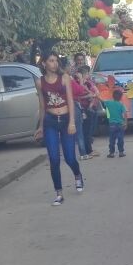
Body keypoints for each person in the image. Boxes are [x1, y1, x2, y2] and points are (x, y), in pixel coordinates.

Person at [34, 52, 83, 206]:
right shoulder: (40, 82)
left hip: (66, 120)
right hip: (50, 121)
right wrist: (40, 126)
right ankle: (59, 193)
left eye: (56, 61)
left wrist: (72, 122)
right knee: (54, 159)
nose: (54, 63)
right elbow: (42, 105)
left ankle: (77, 174)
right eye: (51, 60)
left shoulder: (64, 78)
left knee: (69, 158)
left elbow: (70, 101)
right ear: (44, 64)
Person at [76, 65, 101, 159]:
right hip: (83, 109)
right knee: (85, 131)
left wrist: (93, 95)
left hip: (88, 107)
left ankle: (88, 150)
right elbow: (78, 95)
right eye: (87, 74)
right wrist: (90, 95)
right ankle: (87, 151)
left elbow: (95, 92)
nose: (88, 75)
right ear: (83, 75)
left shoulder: (87, 83)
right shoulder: (79, 84)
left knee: (88, 130)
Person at [105, 88, 127, 158]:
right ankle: (121, 152)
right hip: (120, 124)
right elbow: (125, 114)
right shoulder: (121, 104)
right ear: (121, 97)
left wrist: (96, 95)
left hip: (112, 124)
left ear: (113, 96)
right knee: (120, 139)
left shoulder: (109, 103)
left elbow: (101, 100)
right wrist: (125, 123)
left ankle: (111, 153)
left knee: (112, 139)